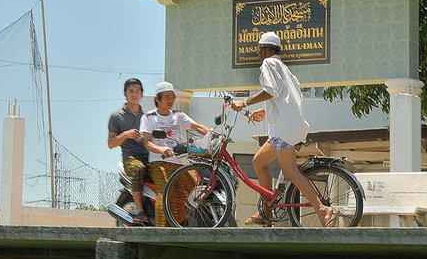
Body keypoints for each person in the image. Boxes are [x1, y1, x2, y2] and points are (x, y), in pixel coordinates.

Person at [231, 31, 335, 227]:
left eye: (259, 48)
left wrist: (244, 102)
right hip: (288, 126)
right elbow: (286, 98)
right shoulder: (285, 70)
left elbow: (271, 91)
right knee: (258, 162)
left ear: (265, 48)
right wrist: (265, 110)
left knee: (290, 172)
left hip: (283, 129)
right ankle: (266, 211)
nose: (257, 52)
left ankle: (322, 209)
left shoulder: (269, 64)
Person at [140, 81, 211, 226]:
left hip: (180, 163)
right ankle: (161, 229)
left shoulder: (179, 116)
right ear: (158, 99)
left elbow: (196, 126)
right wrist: (162, 150)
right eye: (167, 97)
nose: (171, 100)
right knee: (165, 190)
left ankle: (178, 225)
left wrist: (212, 134)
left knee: (191, 184)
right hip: (159, 162)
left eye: (172, 96)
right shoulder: (149, 117)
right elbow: (147, 142)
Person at [107, 78, 150, 224]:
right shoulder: (116, 116)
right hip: (131, 157)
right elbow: (111, 143)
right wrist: (125, 134)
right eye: (131, 91)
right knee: (138, 169)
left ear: (142, 94)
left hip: (149, 155)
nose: (134, 94)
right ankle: (139, 211)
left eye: (138, 91)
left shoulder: (148, 117)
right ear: (125, 93)